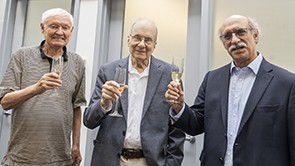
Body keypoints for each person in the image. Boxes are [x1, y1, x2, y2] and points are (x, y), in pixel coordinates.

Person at [165, 15, 295, 166]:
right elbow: (196, 125)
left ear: (255, 35)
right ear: (224, 44)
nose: (234, 40)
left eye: (240, 32)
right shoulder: (212, 79)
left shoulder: (286, 83)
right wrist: (179, 107)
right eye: (227, 36)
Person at [83, 19, 185, 166]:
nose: (141, 44)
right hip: (110, 160)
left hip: (150, 161)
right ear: (128, 40)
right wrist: (103, 103)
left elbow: (177, 125)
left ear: (154, 45)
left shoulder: (169, 74)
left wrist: (171, 163)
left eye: (148, 40)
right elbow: (89, 121)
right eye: (137, 38)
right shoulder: (108, 70)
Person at [0, 8, 86, 166]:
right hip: (21, 158)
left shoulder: (78, 62)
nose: (60, 32)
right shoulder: (22, 56)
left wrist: (76, 146)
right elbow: (5, 101)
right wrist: (36, 88)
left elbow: (76, 106)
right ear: (42, 28)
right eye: (54, 26)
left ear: (71, 31)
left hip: (60, 159)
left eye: (65, 28)